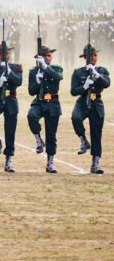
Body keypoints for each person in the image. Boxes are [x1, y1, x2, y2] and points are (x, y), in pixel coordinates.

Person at [70, 44, 109, 174]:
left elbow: (106, 83)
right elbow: (73, 91)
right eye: (90, 56)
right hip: (82, 101)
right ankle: (83, 141)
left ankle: (95, 163)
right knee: (75, 118)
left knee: (96, 134)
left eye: (95, 55)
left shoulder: (102, 70)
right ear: (85, 58)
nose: (93, 58)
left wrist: (96, 75)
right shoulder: (78, 72)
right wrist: (85, 86)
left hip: (96, 102)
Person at [0, 44, 23, 173]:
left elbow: (18, 82)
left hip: (11, 99)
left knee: (10, 131)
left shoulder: (16, 67)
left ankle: (8, 159)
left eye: (7, 53)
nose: (5, 56)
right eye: (2, 54)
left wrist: (9, 71)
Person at [27, 44, 63, 173]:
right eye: (44, 56)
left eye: (49, 55)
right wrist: (37, 81)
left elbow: (59, 78)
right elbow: (31, 92)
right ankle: (38, 140)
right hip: (40, 102)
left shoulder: (56, 69)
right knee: (31, 116)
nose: (48, 58)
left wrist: (46, 68)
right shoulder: (33, 71)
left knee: (51, 135)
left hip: (53, 103)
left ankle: (50, 162)